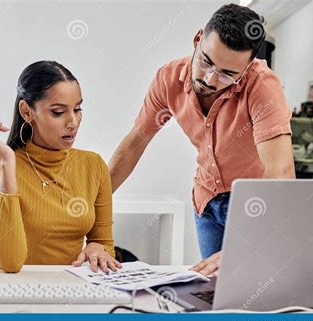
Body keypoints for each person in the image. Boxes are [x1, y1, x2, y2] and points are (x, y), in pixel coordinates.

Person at [108, 4, 295, 276]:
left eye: (227, 74)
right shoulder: (169, 80)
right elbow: (136, 142)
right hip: (206, 202)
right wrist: (92, 204)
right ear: (198, 39)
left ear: (245, 70)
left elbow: (281, 176)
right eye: (206, 61)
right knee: (213, 293)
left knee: (250, 289)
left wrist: (246, 245)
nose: (209, 79)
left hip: (253, 209)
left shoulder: (261, 86)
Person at [0, 61, 122, 273]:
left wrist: (96, 247)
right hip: (13, 292)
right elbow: (9, 263)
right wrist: (7, 161)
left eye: (78, 109)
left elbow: (103, 244)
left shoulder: (94, 166)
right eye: (58, 112)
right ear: (27, 112)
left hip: (70, 290)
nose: (73, 122)